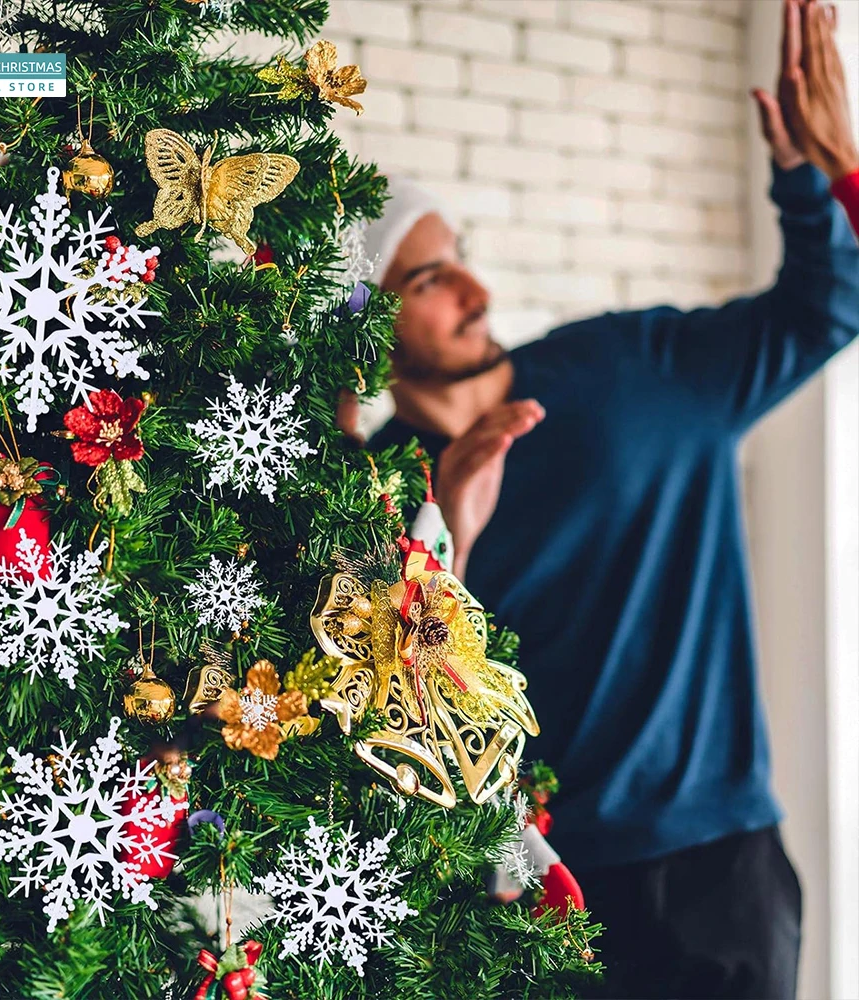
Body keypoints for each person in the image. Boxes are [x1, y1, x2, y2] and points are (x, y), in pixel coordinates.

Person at [346, 1, 859, 998]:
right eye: (429, 277)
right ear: (370, 322)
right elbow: (374, 702)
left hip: (721, 867)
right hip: (533, 889)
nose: (472, 288)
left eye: (462, 258)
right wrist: (445, 525)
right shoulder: (371, 485)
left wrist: (809, 174)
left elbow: (828, 303)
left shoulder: (630, 364)